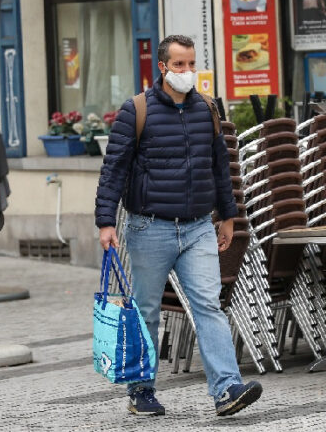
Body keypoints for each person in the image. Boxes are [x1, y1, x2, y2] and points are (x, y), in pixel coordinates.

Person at [95, 35, 262, 417]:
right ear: (163, 67)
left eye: (192, 64)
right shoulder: (135, 110)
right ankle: (141, 391)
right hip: (148, 227)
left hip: (198, 227)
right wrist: (106, 221)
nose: (188, 72)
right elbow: (114, 170)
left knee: (208, 305)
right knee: (148, 311)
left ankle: (226, 389)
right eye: (180, 65)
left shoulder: (207, 109)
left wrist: (228, 215)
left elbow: (220, 167)